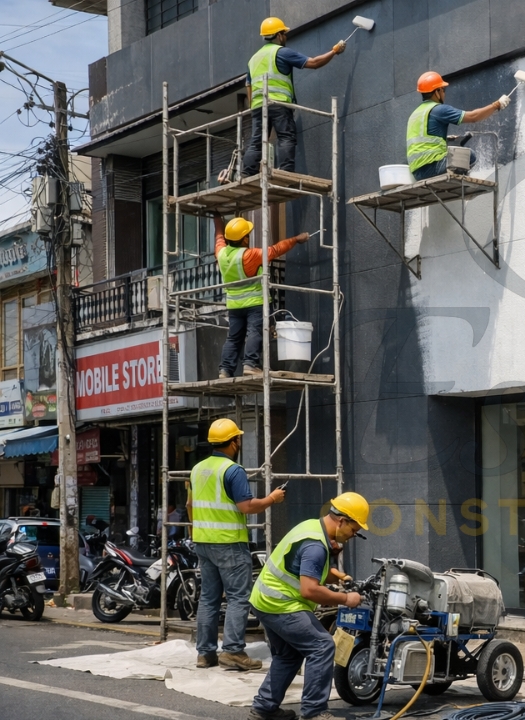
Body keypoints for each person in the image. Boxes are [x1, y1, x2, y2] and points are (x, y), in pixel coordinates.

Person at [248, 492, 368, 720]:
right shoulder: (316, 546)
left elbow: (305, 571)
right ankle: (314, 712)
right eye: (354, 530)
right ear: (342, 520)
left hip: (265, 600)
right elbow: (309, 589)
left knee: (288, 655)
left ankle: (264, 709)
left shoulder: (312, 527)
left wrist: (339, 577)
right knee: (322, 646)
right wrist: (346, 599)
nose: (354, 535)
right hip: (281, 603)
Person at [187, 418, 286, 671]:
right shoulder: (233, 470)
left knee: (208, 599)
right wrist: (272, 498)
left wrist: (200, 531)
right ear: (234, 442)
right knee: (238, 598)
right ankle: (232, 652)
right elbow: (247, 506)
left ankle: (205, 653)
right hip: (229, 543)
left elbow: (190, 507)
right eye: (238, 438)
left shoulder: (197, 469)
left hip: (203, 542)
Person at [241, 17, 345, 177]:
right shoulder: (281, 52)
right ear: (278, 35)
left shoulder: (253, 59)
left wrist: (253, 106)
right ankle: (285, 171)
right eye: (284, 33)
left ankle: (247, 174)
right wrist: (334, 51)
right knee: (286, 136)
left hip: (257, 107)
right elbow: (314, 63)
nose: (286, 37)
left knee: (256, 142)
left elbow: (248, 84)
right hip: (278, 104)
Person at [215, 215, 309, 378]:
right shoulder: (250, 256)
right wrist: (296, 239)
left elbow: (218, 237)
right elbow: (276, 250)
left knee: (233, 338)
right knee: (255, 332)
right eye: (248, 235)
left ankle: (225, 369)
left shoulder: (221, 253)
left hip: (234, 306)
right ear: (244, 239)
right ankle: (250, 365)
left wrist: (217, 219)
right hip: (255, 303)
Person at [407, 71, 511, 181]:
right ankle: (458, 182)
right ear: (437, 92)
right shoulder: (439, 109)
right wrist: (496, 105)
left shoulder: (415, 114)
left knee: (456, 155)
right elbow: (473, 117)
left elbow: (423, 139)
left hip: (417, 172)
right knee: (469, 155)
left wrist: (445, 140)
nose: (444, 94)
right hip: (433, 167)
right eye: (443, 90)